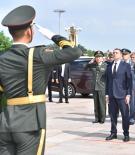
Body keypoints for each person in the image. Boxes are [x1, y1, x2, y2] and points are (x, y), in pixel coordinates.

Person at [0, 5, 82, 155]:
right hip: (30, 123)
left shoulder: (2, 57)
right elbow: (75, 51)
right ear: (30, 31)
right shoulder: (38, 54)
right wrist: (54, 36)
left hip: (5, 123)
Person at [105, 48, 132, 142]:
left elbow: (129, 81)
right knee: (112, 115)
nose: (114, 54)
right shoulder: (109, 66)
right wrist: (107, 94)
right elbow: (107, 81)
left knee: (125, 115)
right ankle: (113, 133)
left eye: (116, 53)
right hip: (112, 95)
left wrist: (128, 94)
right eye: (113, 53)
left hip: (122, 95)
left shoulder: (126, 65)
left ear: (121, 55)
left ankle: (126, 134)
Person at [87, 51, 107, 124]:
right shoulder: (93, 65)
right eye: (97, 57)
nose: (98, 58)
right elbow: (86, 68)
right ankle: (97, 118)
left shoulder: (105, 65)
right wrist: (90, 62)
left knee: (102, 103)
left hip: (102, 87)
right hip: (94, 86)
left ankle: (102, 118)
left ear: (102, 58)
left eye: (99, 57)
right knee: (96, 103)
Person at [122, 48, 135, 125]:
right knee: (124, 103)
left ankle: (132, 118)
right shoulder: (121, 64)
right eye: (123, 54)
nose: (124, 56)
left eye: (125, 54)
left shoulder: (133, 64)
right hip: (122, 86)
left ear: (129, 55)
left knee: (132, 103)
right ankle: (125, 117)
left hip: (131, 86)